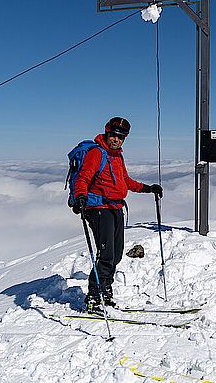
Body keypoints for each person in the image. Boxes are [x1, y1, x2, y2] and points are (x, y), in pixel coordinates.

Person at [70, 116, 162, 313]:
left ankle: (105, 291)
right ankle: (94, 298)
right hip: (98, 208)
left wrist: (148, 189)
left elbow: (125, 181)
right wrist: (80, 197)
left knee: (117, 254)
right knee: (106, 254)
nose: (116, 139)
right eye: (113, 135)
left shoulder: (117, 156)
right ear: (107, 133)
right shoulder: (97, 153)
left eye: (121, 137)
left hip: (115, 208)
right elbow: (84, 177)